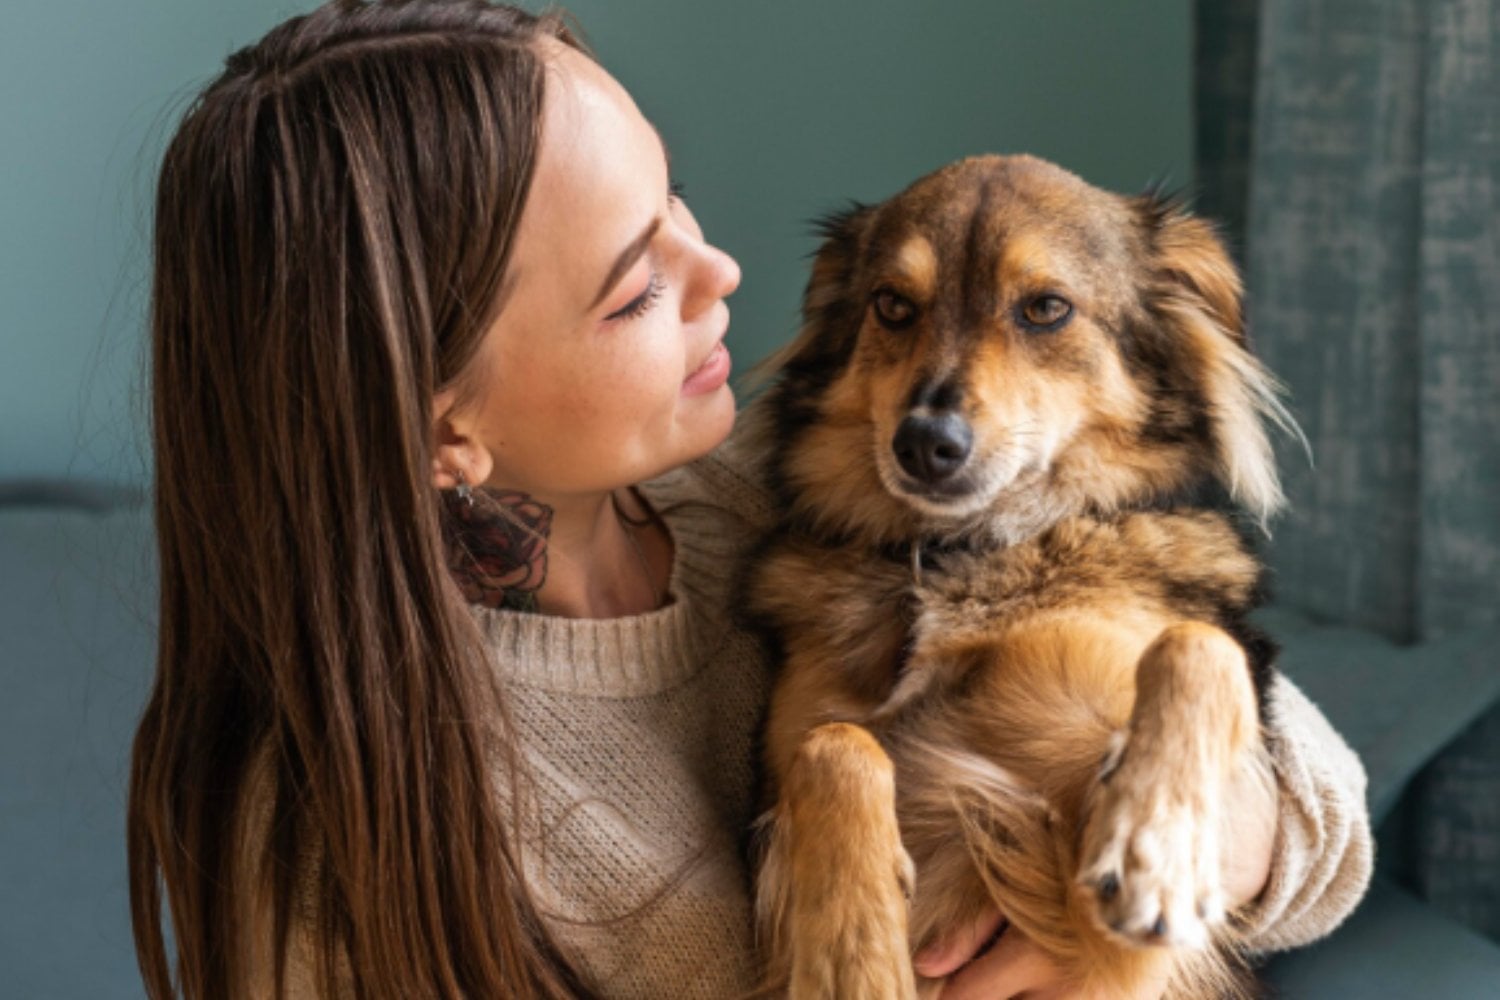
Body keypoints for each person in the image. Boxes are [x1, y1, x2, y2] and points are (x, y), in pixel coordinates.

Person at [126, 2, 1374, 998]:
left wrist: (1197, 841)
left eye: (674, 201)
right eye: (632, 287)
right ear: (441, 416)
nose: (721, 270)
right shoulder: (338, 820)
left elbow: (1324, 828)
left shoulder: (781, 502)